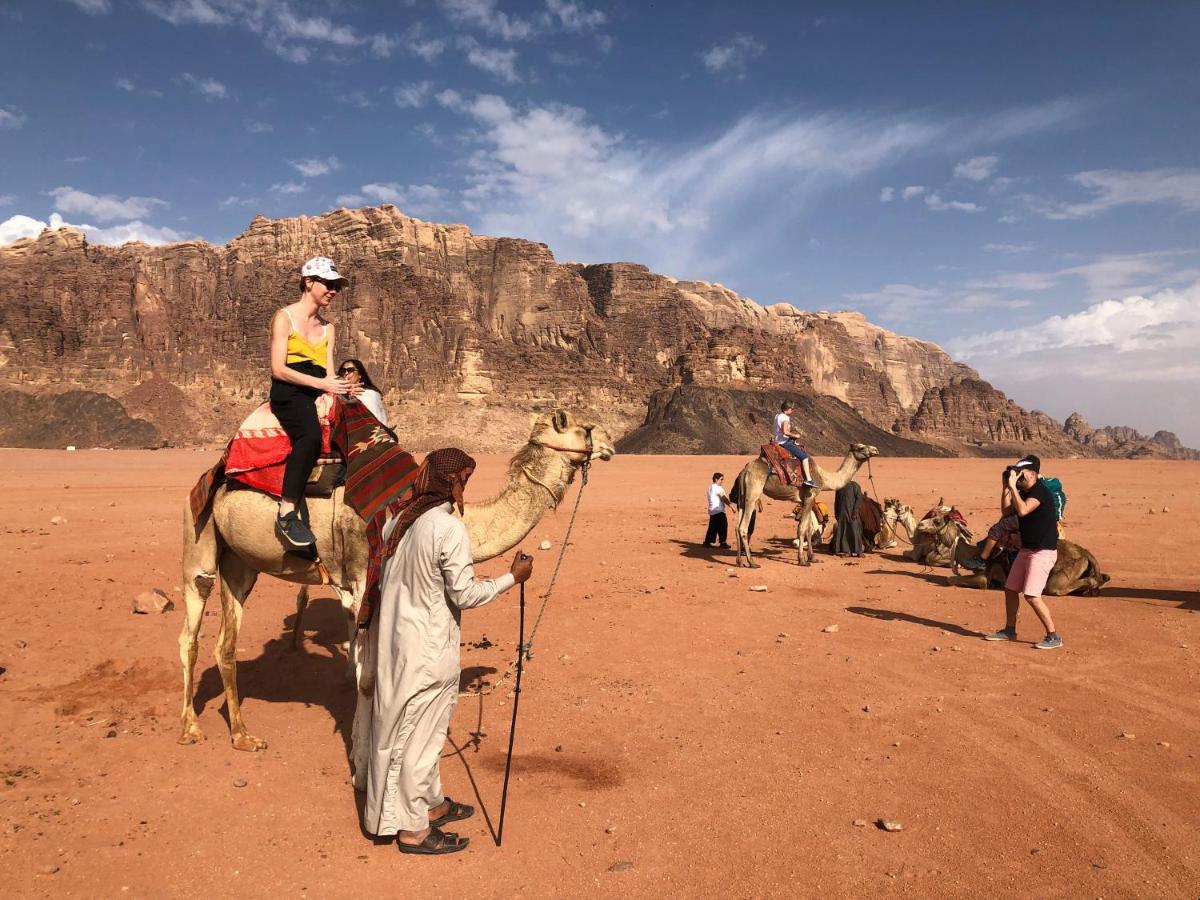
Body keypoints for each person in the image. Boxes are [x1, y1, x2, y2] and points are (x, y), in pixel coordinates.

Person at [364, 448, 534, 855]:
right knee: (418, 740)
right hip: (428, 651)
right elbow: (465, 592)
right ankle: (413, 831)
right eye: (464, 481)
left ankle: (432, 806)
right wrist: (513, 577)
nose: (464, 490)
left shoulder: (398, 523)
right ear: (452, 481)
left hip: (396, 647)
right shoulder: (446, 528)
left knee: (409, 732)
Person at [269, 257, 358, 549]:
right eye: (328, 284)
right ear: (309, 282)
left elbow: (330, 372)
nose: (333, 290)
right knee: (308, 437)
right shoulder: (284, 318)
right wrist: (321, 385)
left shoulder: (328, 328)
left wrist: (344, 389)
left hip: (320, 388)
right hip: (290, 391)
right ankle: (287, 512)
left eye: (336, 286)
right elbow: (278, 369)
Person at [983, 454, 1062, 650]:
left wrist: (1012, 488)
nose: (1018, 477)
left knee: (1032, 595)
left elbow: (1024, 510)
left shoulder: (1040, 492)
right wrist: (1006, 488)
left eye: (1021, 473)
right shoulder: (1024, 492)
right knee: (1010, 589)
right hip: (1026, 550)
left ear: (1033, 474)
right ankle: (1010, 630)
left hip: (1042, 552)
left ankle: (1053, 636)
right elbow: (1006, 511)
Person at [773, 401, 816, 487]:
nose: (792, 411)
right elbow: (785, 432)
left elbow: (779, 431)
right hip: (784, 443)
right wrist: (795, 435)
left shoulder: (777, 416)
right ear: (788, 409)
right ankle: (808, 480)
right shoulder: (785, 418)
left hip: (778, 441)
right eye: (792, 409)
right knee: (804, 457)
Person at [337, 358, 390, 426]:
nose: (346, 373)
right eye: (343, 370)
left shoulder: (370, 394)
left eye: (350, 370)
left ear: (360, 375)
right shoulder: (340, 395)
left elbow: (376, 420)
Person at [831, 480, 865, 557]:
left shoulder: (855, 485)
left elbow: (859, 498)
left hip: (853, 513)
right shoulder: (839, 486)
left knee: (855, 531)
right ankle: (847, 551)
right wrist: (837, 514)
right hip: (842, 514)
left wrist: (855, 511)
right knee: (844, 532)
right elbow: (836, 501)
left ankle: (859, 551)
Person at [704, 472, 734, 548]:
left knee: (712, 527)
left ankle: (707, 542)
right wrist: (731, 506)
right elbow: (723, 497)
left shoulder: (710, 487)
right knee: (723, 526)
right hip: (718, 510)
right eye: (721, 479)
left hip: (712, 510)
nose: (722, 481)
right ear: (716, 479)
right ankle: (723, 542)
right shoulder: (718, 488)